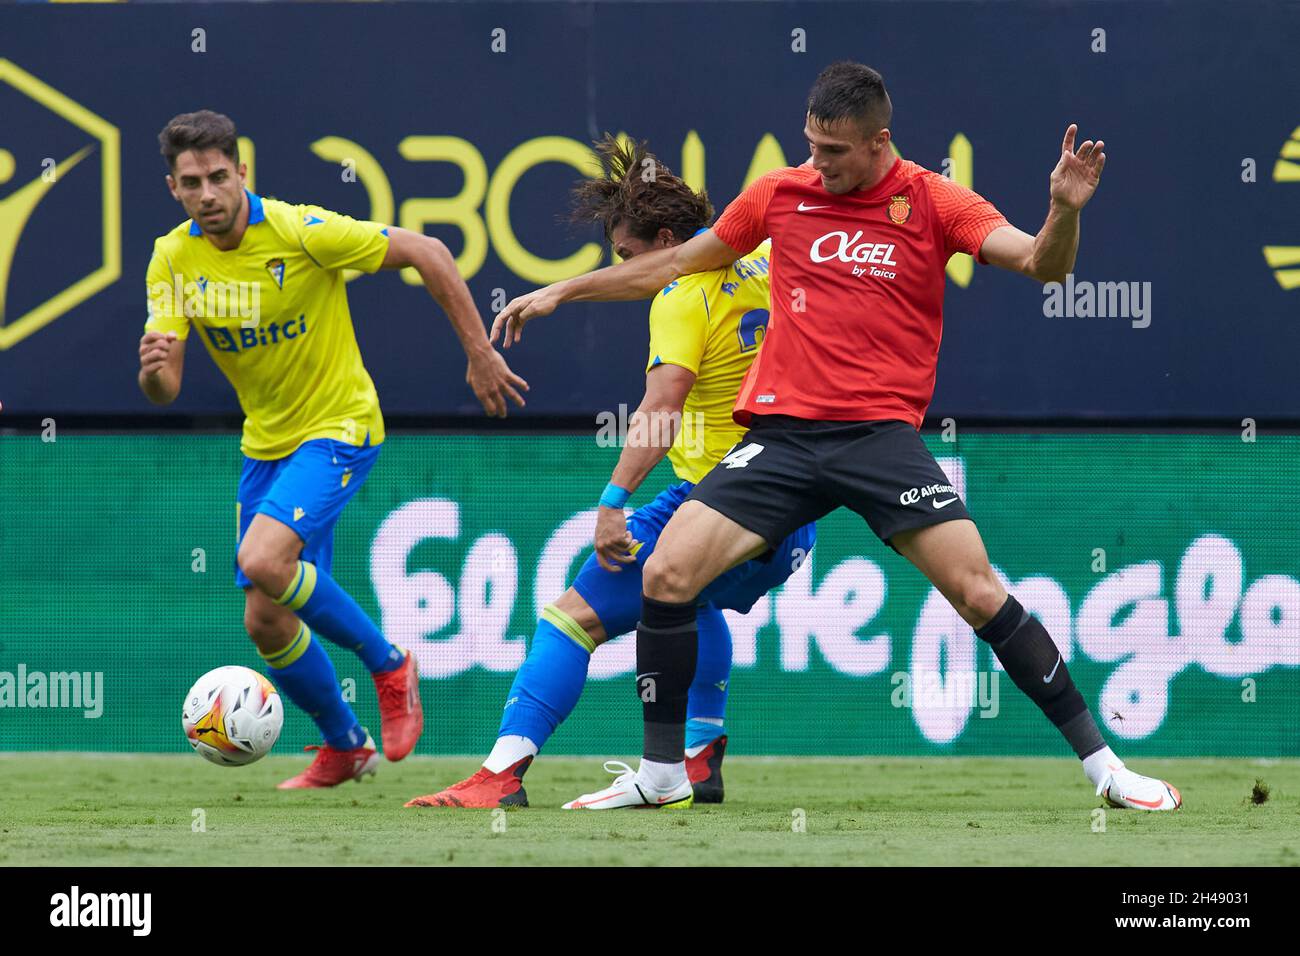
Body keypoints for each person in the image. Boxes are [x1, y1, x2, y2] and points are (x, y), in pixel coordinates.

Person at [492, 63, 1181, 812]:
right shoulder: (780, 194)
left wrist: (1064, 209)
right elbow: (677, 264)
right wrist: (565, 289)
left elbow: (1045, 264)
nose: (816, 163)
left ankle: (1107, 768)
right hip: (782, 438)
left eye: (833, 152)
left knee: (978, 593)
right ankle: (662, 776)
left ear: (879, 140)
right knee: (665, 575)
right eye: (810, 145)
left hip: (879, 438)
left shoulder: (935, 201)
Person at [406, 136, 814, 810]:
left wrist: (613, 499)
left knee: (569, 619)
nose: (624, 271)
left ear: (663, 240)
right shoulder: (766, 260)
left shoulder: (683, 296)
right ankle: (700, 755)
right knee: (690, 594)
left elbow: (661, 410)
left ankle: (501, 774)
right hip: (795, 508)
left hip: (724, 499)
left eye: (627, 256)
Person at [139, 110, 527, 788]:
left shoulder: (299, 231)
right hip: (266, 446)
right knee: (265, 619)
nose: (208, 194)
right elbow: (164, 389)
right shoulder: (172, 257)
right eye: (192, 182)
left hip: (340, 424)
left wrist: (479, 353)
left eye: (219, 177)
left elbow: (429, 253)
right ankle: (347, 745)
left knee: (261, 559)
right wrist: (153, 367)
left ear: (243, 173)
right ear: (173, 188)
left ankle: (387, 663)